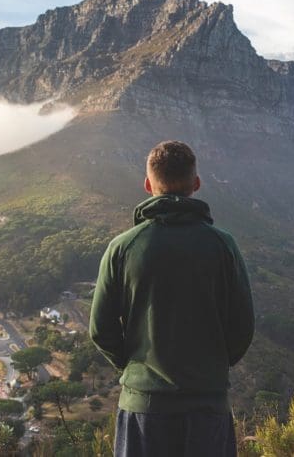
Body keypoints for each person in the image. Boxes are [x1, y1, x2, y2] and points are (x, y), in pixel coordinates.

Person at [90, 140, 255, 456]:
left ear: (148, 184)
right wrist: (212, 367)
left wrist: (136, 368)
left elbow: (101, 329)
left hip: (143, 410)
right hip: (208, 408)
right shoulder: (223, 246)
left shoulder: (123, 248)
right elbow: (242, 328)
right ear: (196, 183)